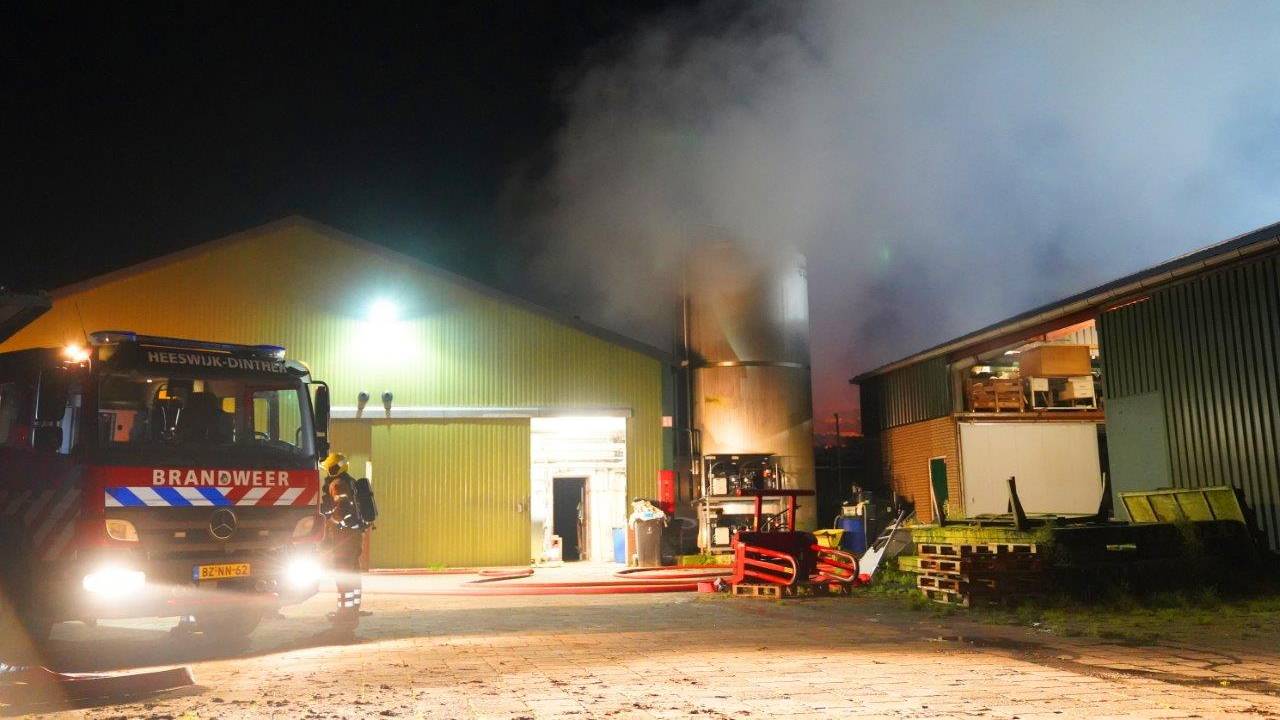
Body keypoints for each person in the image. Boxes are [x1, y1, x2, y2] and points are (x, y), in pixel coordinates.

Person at [319, 452, 371, 633]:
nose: (327, 470)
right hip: (354, 535)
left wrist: (330, 522)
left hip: (343, 537)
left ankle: (345, 613)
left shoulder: (338, 484)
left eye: (329, 467)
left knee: (343, 574)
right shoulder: (349, 481)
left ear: (335, 467)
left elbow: (342, 509)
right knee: (352, 573)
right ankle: (352, 609)